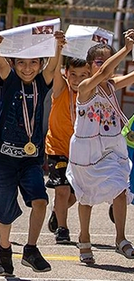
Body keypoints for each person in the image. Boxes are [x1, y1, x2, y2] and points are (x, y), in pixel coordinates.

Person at [0, 30, 65, 276]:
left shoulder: (42, 84)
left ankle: (30, 249)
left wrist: (58, 45)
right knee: (5, 215)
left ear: (40, 64)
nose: (28, 68)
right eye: (22, 62)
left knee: (41, 202)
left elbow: (53, 66)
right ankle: (4, 250)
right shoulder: (9, 80)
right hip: (3, 160)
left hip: (31, 159)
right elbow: (0, 61)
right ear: (14, 64)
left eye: (33, 62)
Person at [66, 33, 134, 264]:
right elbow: (105, 72)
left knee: (121, 189)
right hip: (87, 149)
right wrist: (125, 49)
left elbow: (118, 75)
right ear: (89, 66)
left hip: (111, 146)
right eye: (100, 60)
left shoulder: (111, 85)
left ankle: (121, 239)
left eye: (110, 59)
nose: (106, 65)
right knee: (86, 197)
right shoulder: (85, 87)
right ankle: (84, 238)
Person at [44, 56, 90, 244]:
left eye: (83, 75)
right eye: (73, 75)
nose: (77, 80)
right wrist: (58, 48)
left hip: (79, 151)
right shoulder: (61, 88)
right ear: (66, 74)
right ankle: (62, 229)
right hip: (57, 147)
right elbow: (54, 68)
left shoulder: (90, 92)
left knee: (74, 196)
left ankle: (57, 212)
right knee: (62, 190)